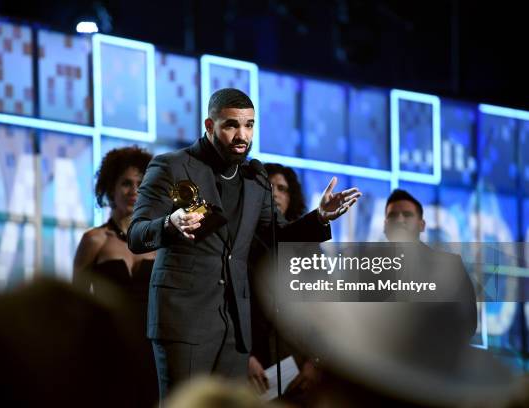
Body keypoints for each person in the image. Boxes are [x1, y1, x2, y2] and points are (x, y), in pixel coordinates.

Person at [127, 88, 361, 399]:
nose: (242, 135)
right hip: (185, 322)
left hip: (235, 328)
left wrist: (319, 217)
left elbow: (276, 237)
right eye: (231, 125)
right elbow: (137, 234)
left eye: (249, 125)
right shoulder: (171, 166)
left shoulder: (256, 178)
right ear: (210, 126)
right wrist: (170, 223)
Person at [72, 146, 158, 406]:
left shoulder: (160, 242)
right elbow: (75, 301)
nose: (134, 191)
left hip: (152, 349)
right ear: (110, 188)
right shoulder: (94, 240)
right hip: (107, 348)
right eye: (126, 183)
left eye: (141, 184)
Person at [247, 163, 319, 395]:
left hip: (297, 369)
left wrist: (314, 363)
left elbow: (327, 311)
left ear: (292, 198)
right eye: (267, 186)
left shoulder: (309, 248)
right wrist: (243, 359)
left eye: (282, 188)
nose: (274, 193)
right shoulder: (237, 244)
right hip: (248, 368)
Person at [384, 188, 477, 340]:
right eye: (393, 216)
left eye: (407, 215)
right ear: (385, 226)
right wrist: (328, 219)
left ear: (422, 225)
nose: (400, 220)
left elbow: (468, 323)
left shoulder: (450, 266)